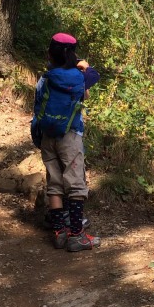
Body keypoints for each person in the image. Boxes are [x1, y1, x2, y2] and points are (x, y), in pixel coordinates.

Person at [34, 32, 101, 252]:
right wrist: (84, 66)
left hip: (47, 136)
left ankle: (59, 232)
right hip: (70, 135)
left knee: (54, 182)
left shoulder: (44, 78)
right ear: (72, 55)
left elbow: (37, 105)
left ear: (50, 54)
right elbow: (91, 83)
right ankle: (76, 235)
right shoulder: (79, 79)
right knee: (75, 183)